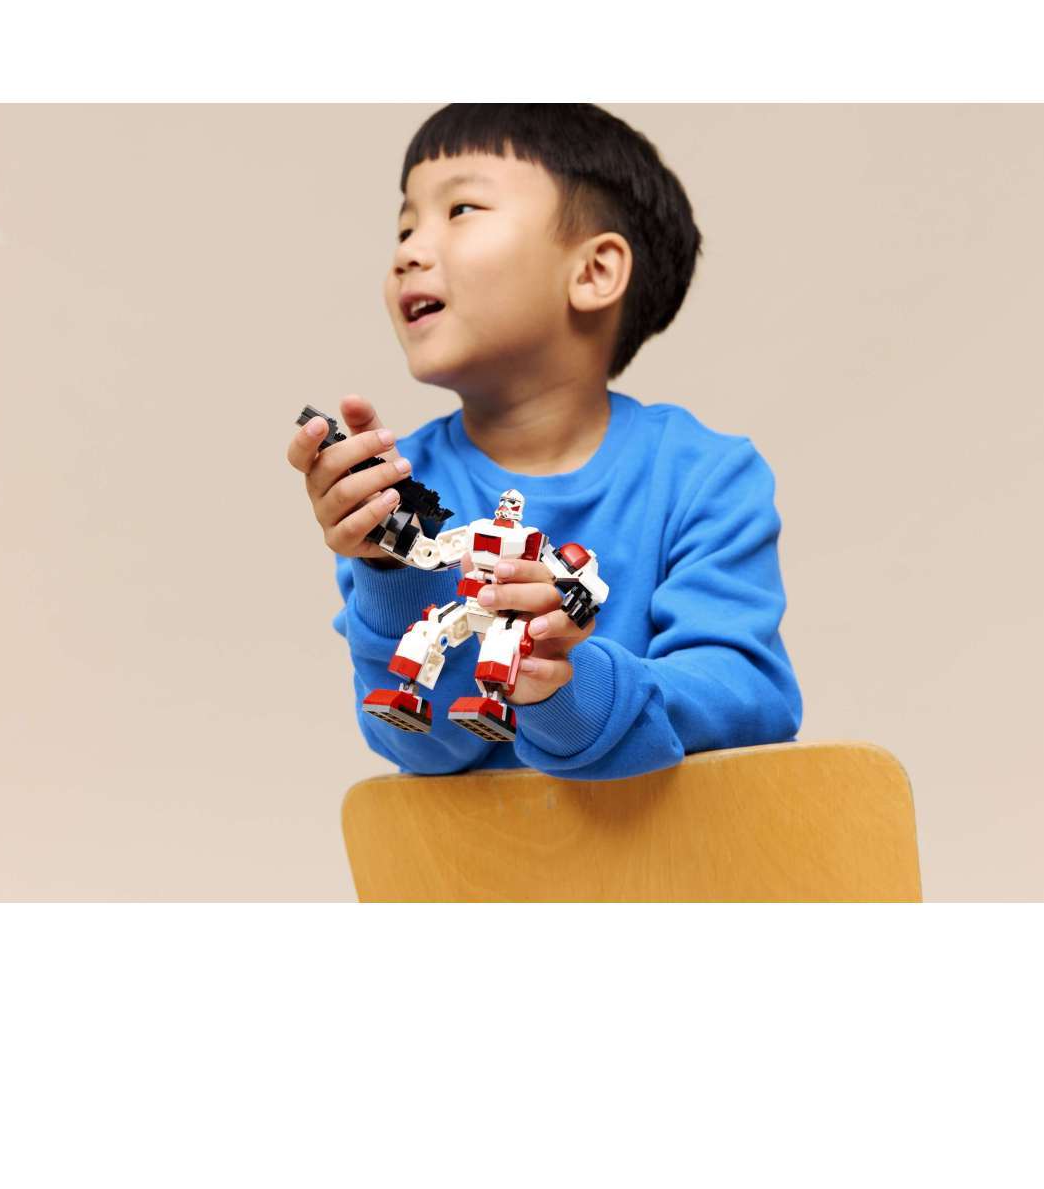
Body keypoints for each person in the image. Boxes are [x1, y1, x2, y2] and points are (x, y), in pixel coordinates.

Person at [286, 104, 803, 780]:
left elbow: (747, 699)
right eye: (405, 225)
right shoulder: (397, 488)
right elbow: (422, 752)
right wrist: (392, 574)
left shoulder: (704, 477)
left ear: (594, 272)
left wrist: (568, 690)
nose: (407, 252)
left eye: (461, 209)